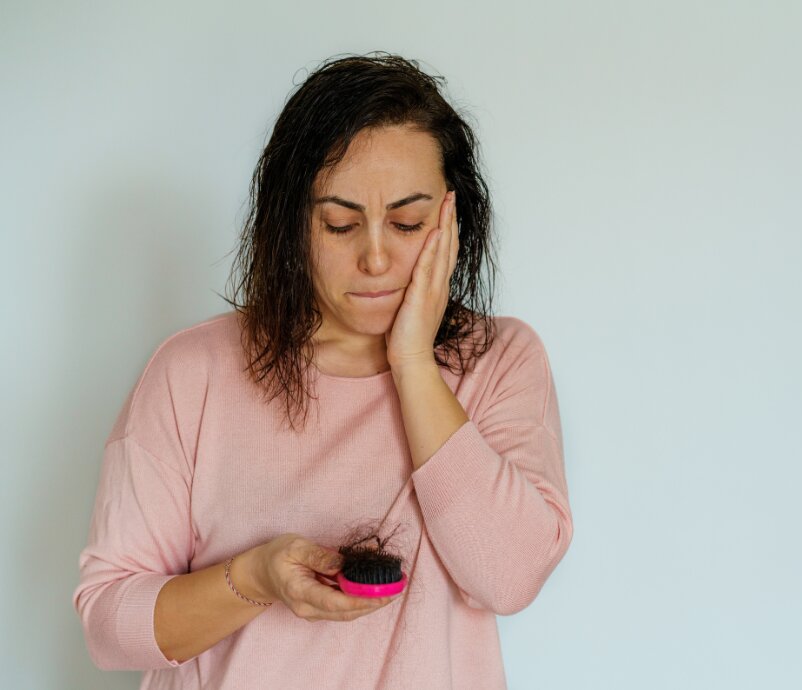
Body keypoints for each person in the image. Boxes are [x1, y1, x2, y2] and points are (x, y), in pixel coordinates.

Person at [72, 52, 573, 690]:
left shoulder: (498, 361)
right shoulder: (191, 371)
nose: (374, 256)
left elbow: (510, 575)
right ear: (291, 223)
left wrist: (413, 360)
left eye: (408, 223)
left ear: (451, 219)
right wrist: (254, 579)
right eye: (339, 224)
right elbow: (108, 626)